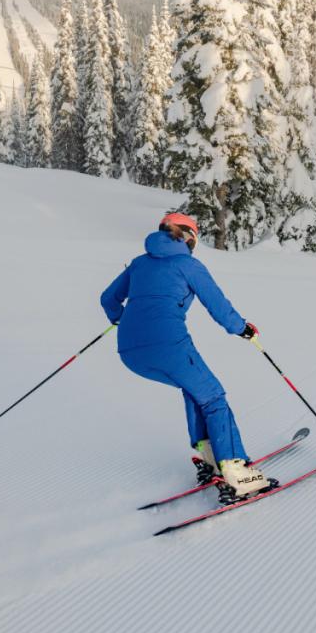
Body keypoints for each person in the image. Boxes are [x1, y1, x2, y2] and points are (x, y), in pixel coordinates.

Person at [100, 212, 273, 501]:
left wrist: (121, 319)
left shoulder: (139, 264)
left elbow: (108, 299)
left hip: (130, 353)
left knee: (196, 390)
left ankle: (210, 459)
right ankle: (236, 471)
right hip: (169, 347)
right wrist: (242, 329)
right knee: (214, 396)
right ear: (188, 236)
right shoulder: (189, 265)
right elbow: (218, 307)